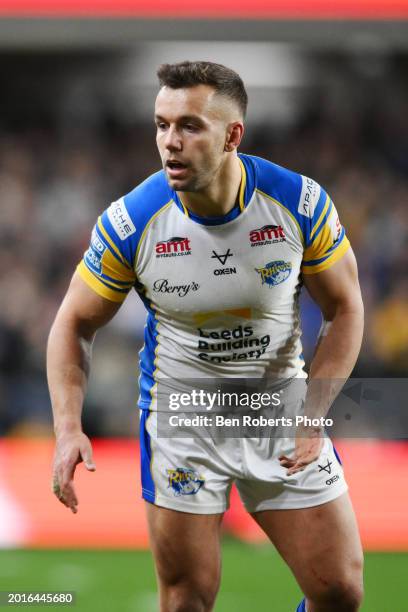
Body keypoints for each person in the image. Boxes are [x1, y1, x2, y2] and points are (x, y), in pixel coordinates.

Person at [47, 61, 364, 612]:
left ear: (232, 135)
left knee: (339, 592)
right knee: (187, 599)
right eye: (161, 124)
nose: (170, 142)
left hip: (278, 410)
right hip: (182, 418)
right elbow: (73, 323)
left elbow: (346, 308)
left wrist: (314, 412)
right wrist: (68, 427)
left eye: (189, 126)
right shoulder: (132, 221)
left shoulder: (299, 203)